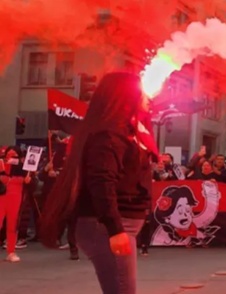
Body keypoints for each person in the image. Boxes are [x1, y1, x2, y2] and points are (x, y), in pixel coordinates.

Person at [39, 72, 159, 293]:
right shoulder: (109, 133)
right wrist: (115, 229)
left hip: (117, 224)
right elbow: (102, 181)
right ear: (126, 96)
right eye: (142, 91)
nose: (148, 96)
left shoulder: (127, 130)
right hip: (105, 225)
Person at [0, 146, 29, 262]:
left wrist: (29, 180)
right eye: (8, 155)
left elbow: (32, 183)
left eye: (14, 156)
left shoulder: (25, 169)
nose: (11, 158)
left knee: (12, 225)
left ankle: (11, 251)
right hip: (2, 198)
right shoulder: (1, 165)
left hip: (16, 199)